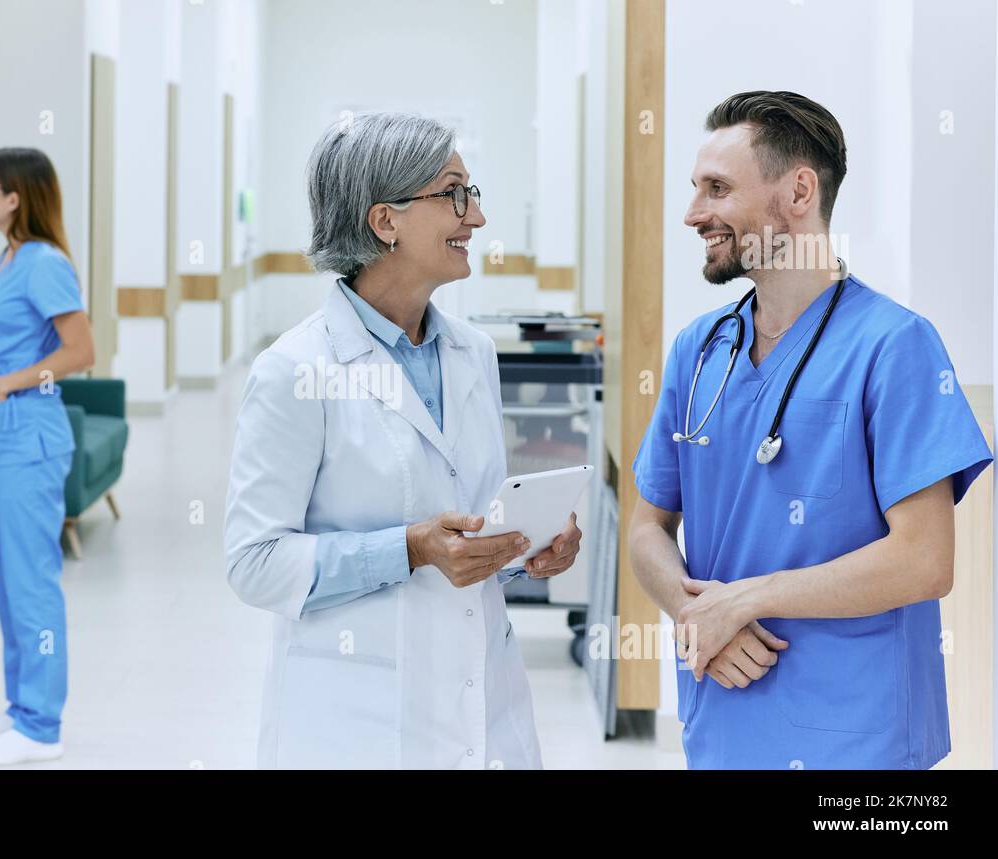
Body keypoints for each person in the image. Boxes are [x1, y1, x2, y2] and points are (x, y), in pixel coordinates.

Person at [630, 91, 993, 769]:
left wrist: (746, 600)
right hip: (724, 727)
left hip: (857, 740)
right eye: (694, 189)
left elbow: (925, 559)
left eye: (716, 188)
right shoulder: (700, 349)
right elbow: (647, 526)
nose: (693, 213)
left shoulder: (895, 346)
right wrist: (696, 613)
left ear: (798, 191)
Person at [224, 113, 583, 769]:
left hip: (483, 709)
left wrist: (521, 547)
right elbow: (254, 562)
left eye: (472, 194)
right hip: (353, 720)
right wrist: (409, 548)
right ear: (384, 221)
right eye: (454, 194)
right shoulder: (296, 370)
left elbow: (464, 528)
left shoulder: (472, 354)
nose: (475, 217)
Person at [0, 147, 94, 766]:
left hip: (28, 444)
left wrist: (12, 381)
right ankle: (19, 709)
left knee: (32, 582)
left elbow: (81, 350)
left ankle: (41, 727)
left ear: (15, 197)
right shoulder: (7, 258)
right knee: (8, 581)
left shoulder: (42, 262)